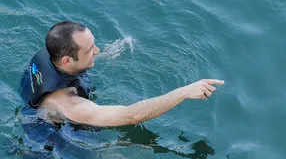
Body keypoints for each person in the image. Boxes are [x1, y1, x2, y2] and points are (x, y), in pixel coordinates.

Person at [20, 21, 223, 127]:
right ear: (67, 60)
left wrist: (107, 54)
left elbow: (75, 59)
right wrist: (183, 92)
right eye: (91, 50)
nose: (97, 51)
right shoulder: (67, 104)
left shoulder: (50, 53)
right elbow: (130, 116)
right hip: (53, 149)